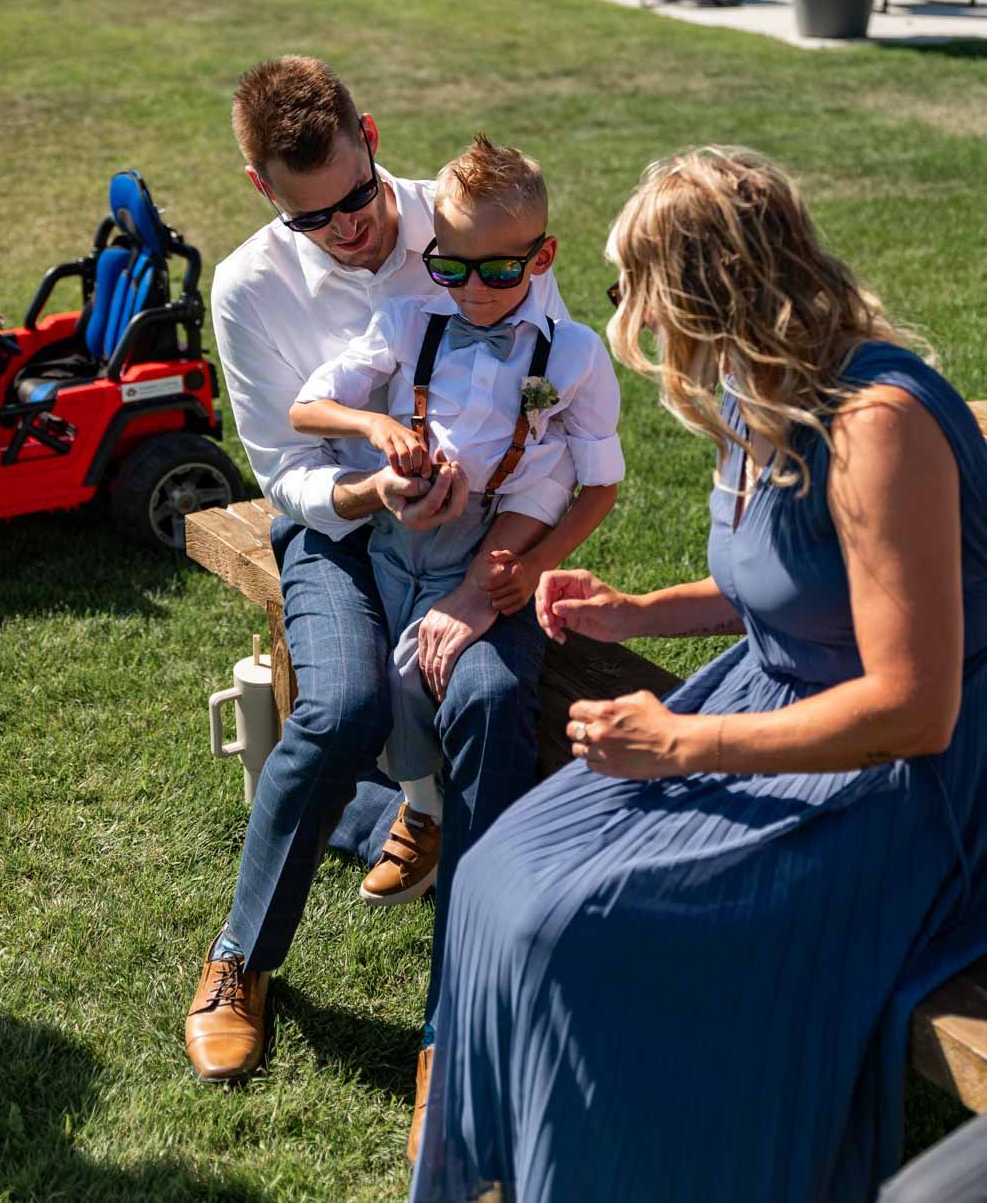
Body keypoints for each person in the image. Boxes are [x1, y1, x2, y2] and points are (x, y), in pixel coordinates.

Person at [410, 147, 987, 1201]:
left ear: (705, 292)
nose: (626, 311)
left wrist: (680, 744)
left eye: (631, 286)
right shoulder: (754, 385)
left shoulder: (875, 426)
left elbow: (912, 708)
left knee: (569, 929)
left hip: (897, 776)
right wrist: (638, 613)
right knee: (497, 878)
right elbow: (790, 585)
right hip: (775, 710)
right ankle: (526, 1167)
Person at [185, 59, 566, 1133]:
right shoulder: (248, 287)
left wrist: (504, 495)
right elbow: (282, 472)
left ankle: (459, 1029)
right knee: (342, 704)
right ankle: (237, 962)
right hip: (337, 529)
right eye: (315, 218)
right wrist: (374, 486)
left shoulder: (464, 221)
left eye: (359, 198)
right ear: (264, 190)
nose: (351, 229)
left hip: (477, 540)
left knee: (488, 704)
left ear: (371, 134)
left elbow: (549, 377)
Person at [290, 134, 622, 905]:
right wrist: (378, 432)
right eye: (452, 265)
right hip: (391, 531)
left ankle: (435, 816)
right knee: (368, 679)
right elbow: (306, 407)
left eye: (500, 270)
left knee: (419, 670)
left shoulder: (571, 356)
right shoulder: (411, 321)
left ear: (541, 259)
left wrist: (532, 569)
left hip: (483, 540)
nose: (473, 292)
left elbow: (597, 484)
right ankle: (416, 799)